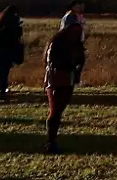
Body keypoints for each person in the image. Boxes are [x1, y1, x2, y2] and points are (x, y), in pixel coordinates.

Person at [43, 9, 83, 153]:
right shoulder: (56, 42)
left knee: (59, 111)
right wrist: (71, 64)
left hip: (68, 79)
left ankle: (52, 141)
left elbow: (80, 59)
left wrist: (76, 69)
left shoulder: (76, 42)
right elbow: (53, 63)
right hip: (56, 80)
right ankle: (50, 142)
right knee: (55, 112)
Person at [0, 4, 24, 95]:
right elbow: (15, 35)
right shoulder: (12, 22)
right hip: (5, 48)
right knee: (4, 71)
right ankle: (1, 89)